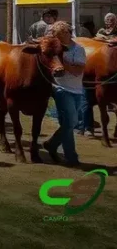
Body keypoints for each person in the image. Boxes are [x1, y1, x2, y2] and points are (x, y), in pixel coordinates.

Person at [43, 21, 86, 167]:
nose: (64, 37)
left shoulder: (78, 49)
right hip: (60, 88)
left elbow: (78, 71)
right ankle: (71, 157)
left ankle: (52, 144)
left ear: (69, 32)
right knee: (72, 122)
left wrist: (62, 62)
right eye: (59, 35)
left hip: (77, 89)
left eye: (65, 33)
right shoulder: (55, 50)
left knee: (68, 124)